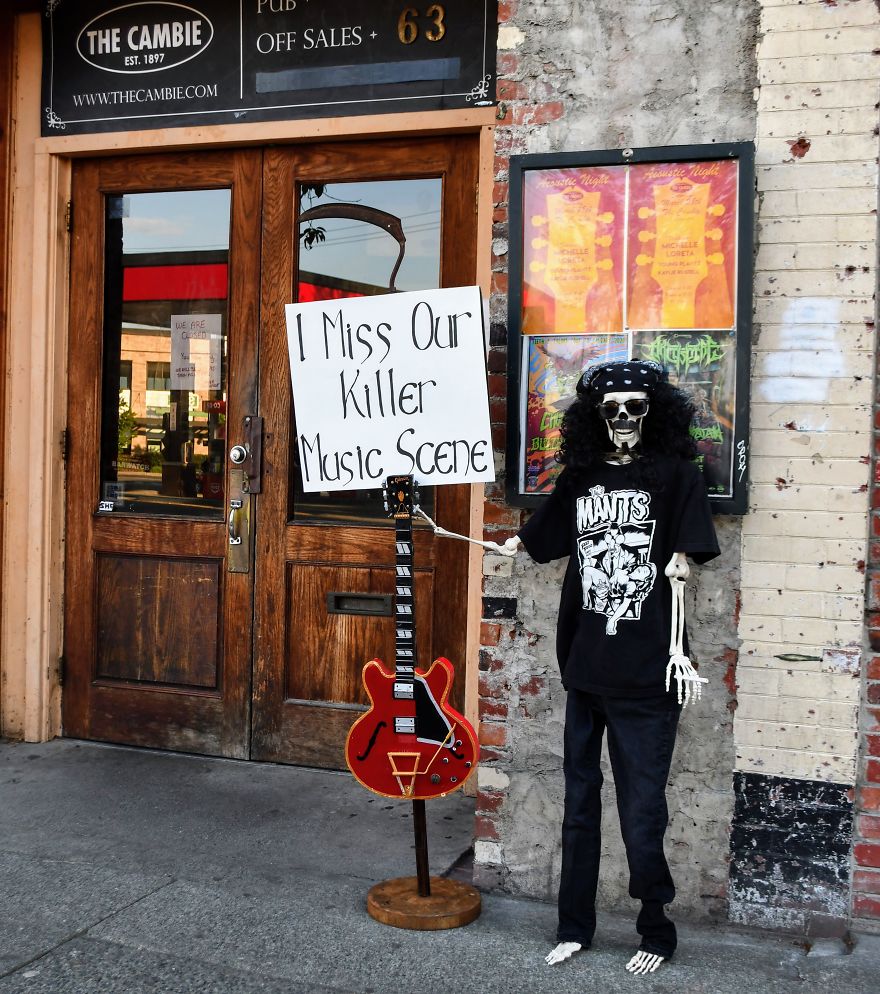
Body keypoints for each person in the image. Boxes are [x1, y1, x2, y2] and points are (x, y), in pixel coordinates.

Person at [499, 359, 719, 974]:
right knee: (578, 804)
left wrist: (678, 624)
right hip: (586, 668)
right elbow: (540, 540)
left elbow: (686, 559)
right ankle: (576, 925)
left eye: (635, 407)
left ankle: (656, 928)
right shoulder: (582, 476)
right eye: (611, 408)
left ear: (655, 413)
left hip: (650, 674)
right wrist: (505, 545)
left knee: (642, 806)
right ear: (597, 417)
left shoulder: (677, 476)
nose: (623, 419)